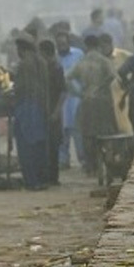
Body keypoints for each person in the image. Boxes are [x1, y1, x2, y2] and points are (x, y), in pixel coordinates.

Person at [69, 35, 117, 177]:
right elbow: (112, 76)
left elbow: (68, 78)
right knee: (106, 133)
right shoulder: (103, 60)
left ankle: (92, 166)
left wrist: (78, 92)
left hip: (87, 100)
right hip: (102, 100)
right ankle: (108, 163)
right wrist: (101, 87)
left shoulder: (82, 61)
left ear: (86, 46)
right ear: (98, 46)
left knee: (88, 134)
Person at [11, 37, 50, 190]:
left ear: (22, 49)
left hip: (26, 107)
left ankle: (31, 181)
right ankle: (42, 180)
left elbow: (20, 88)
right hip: (40, 106)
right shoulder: (42, 62)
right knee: (39, 144)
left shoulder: (23, 64)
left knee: (25, 145)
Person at [38, 39, 66, 185]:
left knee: (53, 145)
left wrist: (56, 112)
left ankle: (53, 177)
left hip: (53, 111)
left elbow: (63, 92)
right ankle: (48, 176)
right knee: (46, 145)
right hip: (45, 111)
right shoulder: (43, 68)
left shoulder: (56, 68)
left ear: (45, 52)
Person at [55, 31, 85, 170]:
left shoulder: (78, 54)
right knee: (62, 133)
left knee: (78, 130)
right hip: (62, 101)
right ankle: (63, 160)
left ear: (68, 43)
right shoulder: (55, 58)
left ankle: (83, 159)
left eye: (64, 43)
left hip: (77, 98)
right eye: (59, 44)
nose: (62, 46)